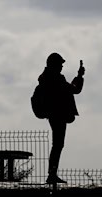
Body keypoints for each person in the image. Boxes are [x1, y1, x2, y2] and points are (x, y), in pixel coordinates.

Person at [38, 52, 85, 184]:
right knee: (58, 144)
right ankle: (52, 174)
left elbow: (69, 89)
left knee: (57, 144)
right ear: (54, 65)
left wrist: (78, 77)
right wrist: (80, 76)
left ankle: (52, 173)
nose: (61, 67)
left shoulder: (47, 77)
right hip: (57, 114)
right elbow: (74, 90)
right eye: (60, 64)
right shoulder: (55, 78)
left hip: (54, 114)